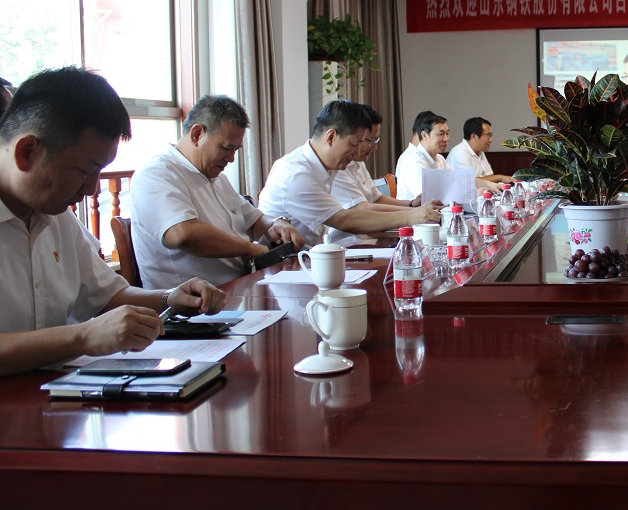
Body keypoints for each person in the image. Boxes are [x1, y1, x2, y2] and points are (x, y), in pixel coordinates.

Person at [0, 67, 227, 374]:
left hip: (57, 392)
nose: (91, 189)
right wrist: (84, 336)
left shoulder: (56, 215)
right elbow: (87, 330)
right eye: (83, 171)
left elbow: (107, 296)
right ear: (27, 152)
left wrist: (169, 298)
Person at [131, 95, 305, 288]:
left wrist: (275, 223)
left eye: (236, 150)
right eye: (226, 148)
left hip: (239, 286)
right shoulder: (158, 173)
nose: (231, 158)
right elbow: (182, 234)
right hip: (195, 300)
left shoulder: (217, 179)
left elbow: (254, 221)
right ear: (197, 134)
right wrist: (249, 249)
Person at [259, 100, 440, 244]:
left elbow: (371, 200)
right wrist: (411, 215)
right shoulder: (297, 174)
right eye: (355, 144)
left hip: (308, 254)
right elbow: (345, 219)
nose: (356, 153)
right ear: (331, 137)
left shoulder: (326, 164)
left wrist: (411, 208)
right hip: (283, 263)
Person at [332, 104, 438, 211]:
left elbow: (377, 198)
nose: (375, 147)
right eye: (371, 141)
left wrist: (411, 204)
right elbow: (360, 208)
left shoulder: (358, 163)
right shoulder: (338, 167)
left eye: (376, 140)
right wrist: (414, 211)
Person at [446, 116, 514, 193]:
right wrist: (500, 177)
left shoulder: (480, 151)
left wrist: (498, 179)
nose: (491, 140)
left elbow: (490, 177)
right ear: (474, 136)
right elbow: (469, 182)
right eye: (488, 135)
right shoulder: (460, 153)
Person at [394, 110, 451, 201]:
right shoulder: (413, 160)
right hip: (414, 209)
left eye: (447, 133)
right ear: (424, 135)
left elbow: (454, 184)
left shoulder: (440, 159)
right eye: (441, 134)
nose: (446, 139)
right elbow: (426, 199)